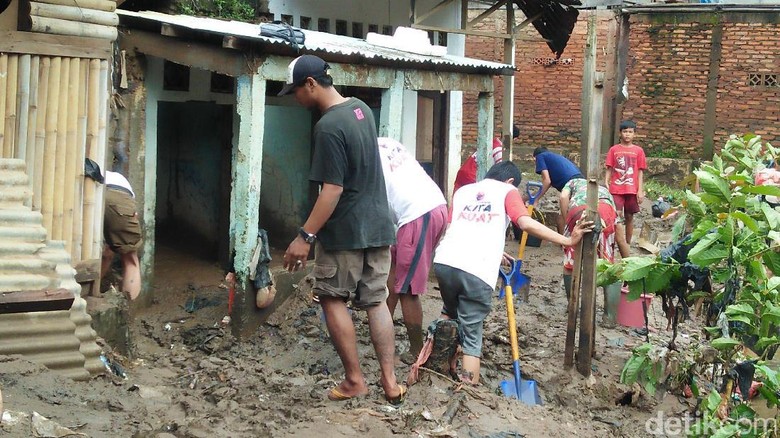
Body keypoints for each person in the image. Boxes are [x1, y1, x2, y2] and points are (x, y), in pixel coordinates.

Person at [279, 55, 405, 405]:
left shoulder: (328, 126)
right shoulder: (361, 109)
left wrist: (305, 236)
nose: (295, 99)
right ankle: (391, 382)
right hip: (379, 225)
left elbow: (331, 190)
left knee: (332, 297)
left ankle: (354, 380)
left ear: (310, 85)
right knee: (376, 300)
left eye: (295, 92)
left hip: (346, 229)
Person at [429, 161, 593, 384]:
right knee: (472, 334)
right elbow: (524, 223)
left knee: (449, 311)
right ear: (510, 181)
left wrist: (497, 250)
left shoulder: (464, 191)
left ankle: (435, 361)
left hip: (444, 263)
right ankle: (469, 386)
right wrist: (567, 239)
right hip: (475, 271)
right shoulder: (508, 191)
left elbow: (458, 227)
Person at [377, 137, 448, 362]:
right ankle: (382, 327)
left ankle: (416, 350)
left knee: (407, 288)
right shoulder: (385, 142)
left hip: (417, 215)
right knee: (394, 270)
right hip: (429, 207)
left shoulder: (363, 155)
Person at [559, 178, 629, 326]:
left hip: (577, 213)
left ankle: (573, 309)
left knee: (570, 263)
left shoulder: (572, 182)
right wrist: (628, 266)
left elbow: (563, 197)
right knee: (608, 266)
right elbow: (621, 240)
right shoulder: (607, 194)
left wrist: (568, 220)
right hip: (605, 213)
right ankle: (609, 317)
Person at [86, 159, 143, 301]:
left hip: (88, 192)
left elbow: (108, 252)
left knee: (105, 253)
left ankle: (89, 293)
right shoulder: (120, 182)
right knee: (130, 258)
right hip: (118, 195)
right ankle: (126, 309)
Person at [605, 120, 647, 245]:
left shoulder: (638, 151)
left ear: (634, 134)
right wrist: (606, 182)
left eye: (630, 132)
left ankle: (627, 244)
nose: (627, 134)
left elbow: (640, 172)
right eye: (625, 132)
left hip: (632, 189)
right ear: (620, 133)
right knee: (615, 215)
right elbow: (609, 168)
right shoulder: (614, 150)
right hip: (616, 188)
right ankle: (615, 242)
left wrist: (640, 190)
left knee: (629, 216)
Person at [452, 125, 520, 193]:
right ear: (515, 139)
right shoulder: (499, 150)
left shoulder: (492, 143)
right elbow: (502, 175)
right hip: (473, 177)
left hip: (464, 172)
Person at [532, 146, 584, 232]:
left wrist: (536, 200)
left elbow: (547, 181)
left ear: (534, 158)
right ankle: (564, 243)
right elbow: (545, 185)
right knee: (561, 218)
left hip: (571, 184)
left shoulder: (540, 156)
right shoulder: (555, 160)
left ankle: (568, 242)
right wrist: (527, 197)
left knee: (566, 219)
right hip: (581, 183)